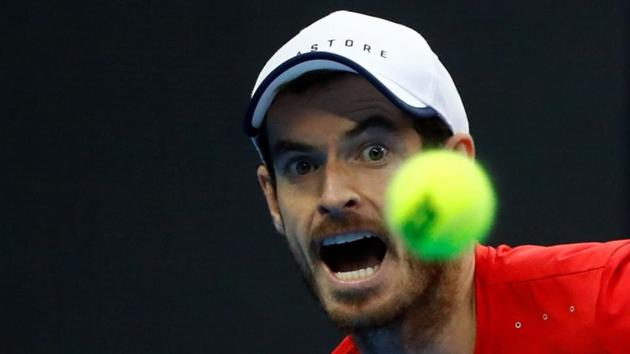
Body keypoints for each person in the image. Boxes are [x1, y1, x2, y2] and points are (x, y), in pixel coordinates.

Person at [242, 10, 630, 354]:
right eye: (302, 166)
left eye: (374, 152)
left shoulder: (611, 300)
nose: (333, 195)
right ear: (273, 200)